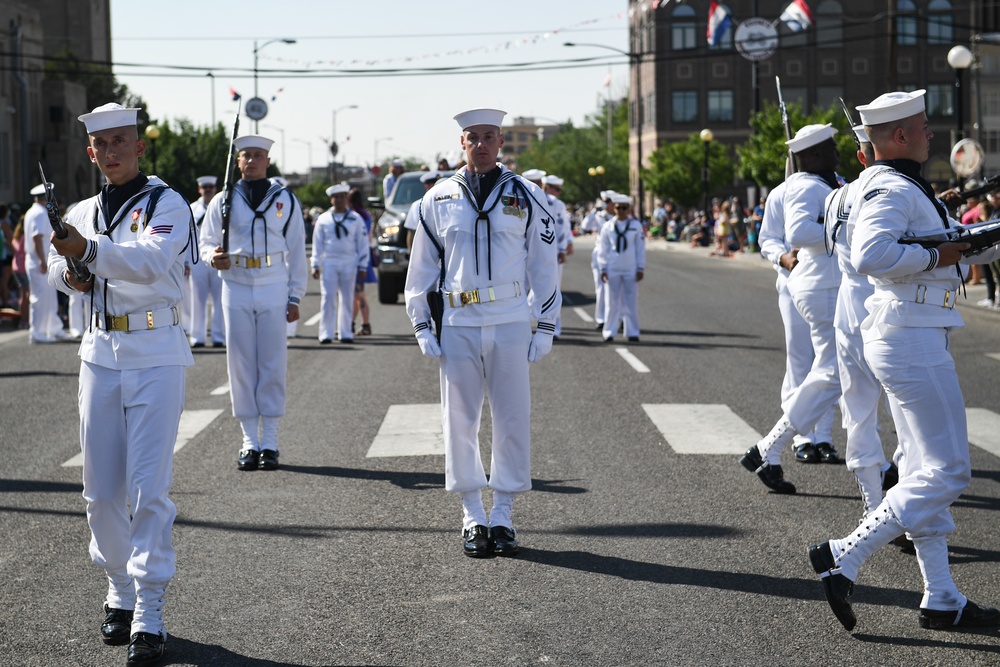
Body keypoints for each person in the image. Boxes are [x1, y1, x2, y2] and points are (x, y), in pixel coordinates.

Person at [809, 89, 1000, 632]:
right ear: (898, 137)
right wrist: (942, 253)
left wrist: (971, 242)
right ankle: (843, 554)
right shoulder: (891, 186)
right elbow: (876, 255)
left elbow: (952, 243)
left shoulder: (892, 183)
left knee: (921, 469)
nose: (930, 133)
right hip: (910, 335)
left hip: (911, 331)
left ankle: (941, 597)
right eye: (921, 126)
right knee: (948, 470)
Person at [48, 102, 197, 667]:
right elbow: (60, 277)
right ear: (91, 153)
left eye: (121, 142)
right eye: (101, 145)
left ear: (139, 146)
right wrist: (74, 271)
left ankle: (150, 608)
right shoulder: (83, 209)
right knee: (100, 488)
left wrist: (87, 253)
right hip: (99, 353)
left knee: (148, 487)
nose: (111, 152)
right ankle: (118, 586)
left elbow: (152, 260)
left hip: (156, 352)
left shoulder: (168, 203)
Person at [404, 107, 560, 558]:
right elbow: (422, 269)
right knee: (460, 419)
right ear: (462, 143)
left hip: (510, 319)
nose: (482, 144)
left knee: (512, 417)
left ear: (501, 141)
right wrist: (420, 322)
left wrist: (546, 323)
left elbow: (543, 264)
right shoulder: (436, 199)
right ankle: (473, 514)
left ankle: (505, 514)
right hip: (458, 323)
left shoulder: (528, 195)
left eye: (489, 136)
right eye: (473, 137)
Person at [200, 134, 307, 472]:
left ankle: (271, 441)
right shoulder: (223, 200)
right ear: (238, 161)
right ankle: (249, 440)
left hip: (273, 282)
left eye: (258, 155)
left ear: (268, 161)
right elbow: (205, 242)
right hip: (236, 283)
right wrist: (212, 257)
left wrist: (295, 295)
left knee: (273, 362)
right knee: (241, 363)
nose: (252, 161)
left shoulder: (285, 199)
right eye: (246, 155)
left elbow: (297, 250)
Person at [824, 124, 899, 517]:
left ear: (860, 156)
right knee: (907, 415)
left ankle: (874, 505)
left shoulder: (837, 196)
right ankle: (907, 506)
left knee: (859, 413)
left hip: (849, 312)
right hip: (889, 313)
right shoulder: (895, 192)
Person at [311, 183, 368, 344]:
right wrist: (315, 264)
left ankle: (346, 332)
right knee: (328, 297)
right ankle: (326, 333)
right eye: (336, 197)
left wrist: (363, 265)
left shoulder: (355, 219)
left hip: (349, 262)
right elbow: (317, 244)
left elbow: (362, 243)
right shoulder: (323, 220)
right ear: (331, 200)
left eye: (342, 197)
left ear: (347, 199)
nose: (339, 200)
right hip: (329, 261)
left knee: (348, 297)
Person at [598, 193, 645, 342]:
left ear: (629, 208)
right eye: (618, 207)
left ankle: (632, 332)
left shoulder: (636, 226)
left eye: (624, 208)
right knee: (611, 302)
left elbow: (640, 248)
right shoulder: (607, 226)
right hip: (613, 268)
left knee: (631, 302)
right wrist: (603, 268)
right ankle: (609, 331)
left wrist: (640, 268)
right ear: (614, 208)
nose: (621, 211)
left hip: (630, 268)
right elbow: (603, 249)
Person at [24, 183, 67, 343]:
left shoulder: (33, 211)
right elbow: (37, 237)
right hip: (39, 261)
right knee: (40, 298)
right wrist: (43, 260)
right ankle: (37, 332)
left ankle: (53, 328)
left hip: (38, 260)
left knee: (48, 297)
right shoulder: (40, 213)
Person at [188, 175, 225, 348]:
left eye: (211, 186)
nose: (208, 189)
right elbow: (186, 238)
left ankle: (219, 336)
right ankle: (197, 337)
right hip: (197, 261)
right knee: (197, 299)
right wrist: (185, 262)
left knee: (220, 299)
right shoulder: (191, 209)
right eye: (205, 187)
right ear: (199, 189)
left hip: (218, 257)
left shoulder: (222, 207)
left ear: (215, 188)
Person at [543, 174, 573, 338]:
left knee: (551, 291)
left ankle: (552, 328)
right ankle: (549, 328)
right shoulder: (555, 203)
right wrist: (562, 248)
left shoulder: (556, 204)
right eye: (556, 189)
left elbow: (562, 227)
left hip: (544, 252)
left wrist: (562, 247)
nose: (558, 193)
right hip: (539, 252)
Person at [348, 187, 375, 336]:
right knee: (356, 294)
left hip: (357, 258)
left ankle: (363, 324)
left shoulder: (354, 216)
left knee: (358, 294)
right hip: (364, 257)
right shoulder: (366, 215)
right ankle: (356, 324)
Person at [404, 170, 443, 251]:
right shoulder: (417, 206)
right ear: (427, 186)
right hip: (425, 252)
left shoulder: (448, 203)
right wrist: (411, 254)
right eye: (434, 184)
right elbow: (411, 232)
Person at [11, 216, 29, 329]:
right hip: (23, 268)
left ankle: (22, 319)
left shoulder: (16, 237)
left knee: (22, 295)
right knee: (27, 295)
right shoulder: (25, 237)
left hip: (16, 267)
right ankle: (26, 320)